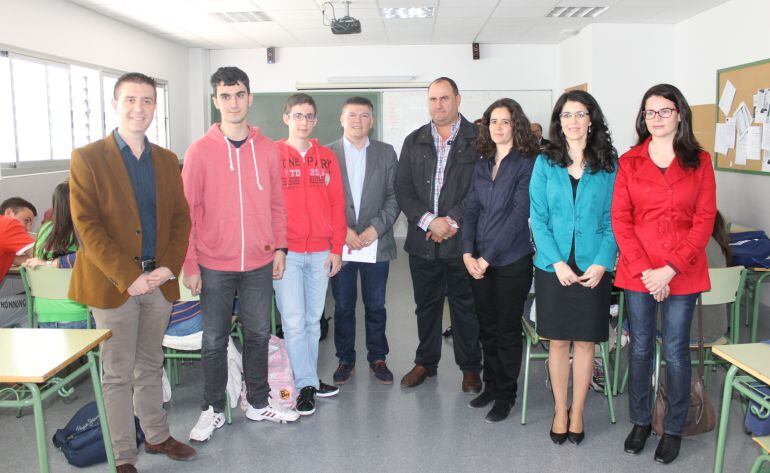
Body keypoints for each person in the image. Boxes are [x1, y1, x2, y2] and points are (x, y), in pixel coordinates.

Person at [69, 72, 195, 473]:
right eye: (130, 100)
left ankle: (157, 436)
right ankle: (123, 455)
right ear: (115, 104)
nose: (138, 108)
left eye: (146, 101)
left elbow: (180, 219)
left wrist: (167, 268)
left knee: (150, 364)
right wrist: (129, 276)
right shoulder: (88, 157)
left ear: (155, 107)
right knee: (117, 373)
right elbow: (87, 227)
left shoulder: (165, 159)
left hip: (158, 282)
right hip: (114, 286)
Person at [182, 66, 298, 442]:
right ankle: (213, 408)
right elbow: (188, 211)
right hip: (213, 264)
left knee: (259, 333)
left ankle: (258, 401)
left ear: (250, 98)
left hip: (260, 262)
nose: (233, 102)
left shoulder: (267, 149)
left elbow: (278, 204)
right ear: (216, 101)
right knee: (214, 339)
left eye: (239, 94)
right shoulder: (199, 152)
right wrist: (190, 262)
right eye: (225, 96)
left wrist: (280, 246)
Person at [612, 83, 716, 464]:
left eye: (663, 111)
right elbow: (621, 220)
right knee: (639, 346)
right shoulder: (630, 161)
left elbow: (704, 221)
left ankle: (673, 427)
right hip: (638, 271)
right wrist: (647, 272)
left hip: (682, 270)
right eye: (649, 112)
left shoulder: (699, 162)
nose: (655, 118)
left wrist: (669, 270)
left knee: (674, 349)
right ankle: (640, 421)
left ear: (680, 115)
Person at [529, 90, 618, 445]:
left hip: (595, 267)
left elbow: (616, 218)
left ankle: (578, 412)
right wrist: (556, 263)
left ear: (591, 119)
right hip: (553, 268)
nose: (573, 122)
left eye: (580, 114)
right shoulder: (544, 162)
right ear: (559, 122)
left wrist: (602, 262)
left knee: (585, 344)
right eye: (566, 115)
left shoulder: (609, 162)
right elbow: (538, 218)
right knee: (558, 343)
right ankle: (559, 409)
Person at [394, 77, 483, 392]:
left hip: (463, 244)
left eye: (444, 98)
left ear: (458, 99)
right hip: (423, 242)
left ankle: (471, 367)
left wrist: (452, 221)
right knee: (426, 306)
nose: (439, 105)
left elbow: (481, 187)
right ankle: (425, 362)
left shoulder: (479, 139)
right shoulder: (414, 140)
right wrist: (430, 221)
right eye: (433, 99)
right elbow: (403, 189)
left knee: (465, 307)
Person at [462, 98, 537, 422]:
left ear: (515, 125)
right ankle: (491, 386)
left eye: (505, 121)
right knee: (487, 328)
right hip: (478, 261)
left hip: (511, 262)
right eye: (493, 121)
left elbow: (520, 216)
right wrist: (467, 252)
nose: (498, 127)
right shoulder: (482, 162)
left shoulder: (526, 163)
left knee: (507, 331)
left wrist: (487, 257)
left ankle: (506, 395)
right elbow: (471, 210)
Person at [274, 93, 345, 415]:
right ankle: (305, 383)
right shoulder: (272, 155)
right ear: (286, 118)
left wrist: (337, 248)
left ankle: (308, 380)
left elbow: (337, 204)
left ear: (315, 121)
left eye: (309, 116)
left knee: (313, 321)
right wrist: (275, 248)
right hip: (286, 254)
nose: (303, 122)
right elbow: (267, 207)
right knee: (292, 322)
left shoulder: (327, 157)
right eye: (297, 115)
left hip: (320, 252)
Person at [327, 96, 400, 385]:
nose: (358, 121)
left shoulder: (386, 153)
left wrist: (375, 230)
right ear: (342, 119)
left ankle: (378, 357)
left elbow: (396, 197)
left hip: (375, 244)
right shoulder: (327, 153)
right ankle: (345, 358)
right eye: (352, 115)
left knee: (376, 305)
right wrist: (343, 230)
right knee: (343, 305)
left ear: (372, 120)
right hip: (340, 243)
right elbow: (321, 200)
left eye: (365, 115)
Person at [22, 181, 90, 328]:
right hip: (80, 311)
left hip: (44, 312)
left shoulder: (45, 229)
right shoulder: (85, 231)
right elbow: (91, 258)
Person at [0, 197, 36, 281]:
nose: (28, 228)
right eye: (26, 220)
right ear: (9, 213)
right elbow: (38, 254)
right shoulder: (8, 224)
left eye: (31, 224)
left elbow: (16, 259)